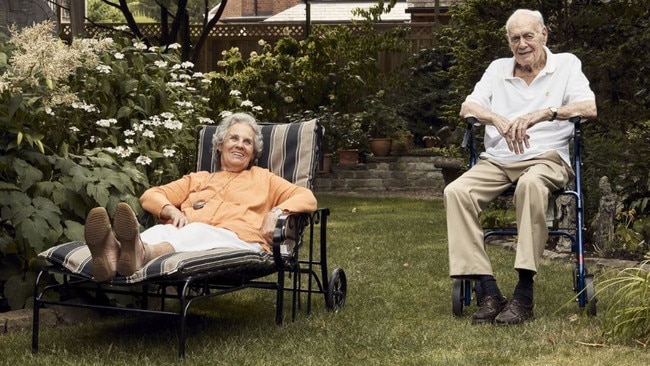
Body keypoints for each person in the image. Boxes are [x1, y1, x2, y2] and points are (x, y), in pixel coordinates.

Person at [444, 9, 597, 325]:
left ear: (544, 35)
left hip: (547, 159)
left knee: (530, 185)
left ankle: (524, 294)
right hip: (499, 160)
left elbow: (589, 107)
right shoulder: (497, 69)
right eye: (515, 38)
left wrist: (544, 113)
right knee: (456, 191)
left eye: (528, 35)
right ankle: (489, 291)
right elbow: (468, 107)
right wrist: (496, 119)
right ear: (508, 41)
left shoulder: (566, 64)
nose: (522, 43)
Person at [83, 112, 318, 282]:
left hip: (241, 241)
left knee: (197, 230)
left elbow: (306, 197)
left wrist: (276, 212)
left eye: (247, 142)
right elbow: (150, 195)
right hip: (188, 235)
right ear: (220, 145)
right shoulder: (198, 179)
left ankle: (137, 252)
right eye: (233, 138)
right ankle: (114, 256)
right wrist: (170, 210)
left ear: (253, 153)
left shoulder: (264, 178)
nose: (240, 145)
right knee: (162, 231)